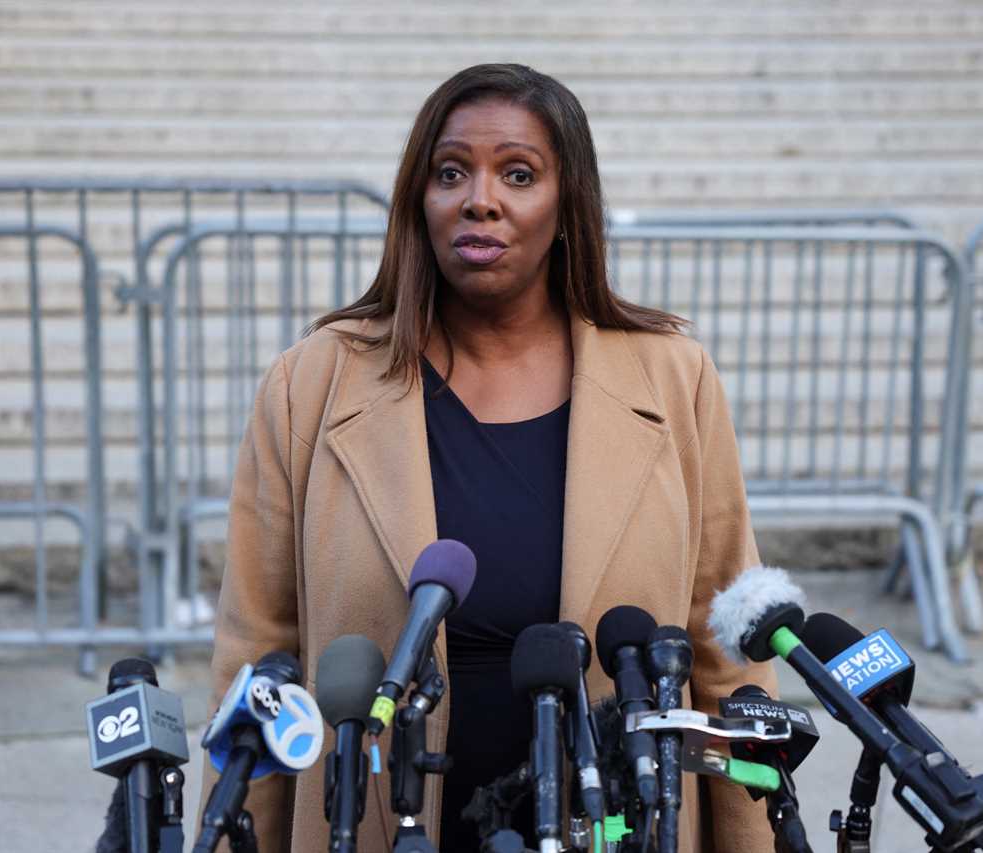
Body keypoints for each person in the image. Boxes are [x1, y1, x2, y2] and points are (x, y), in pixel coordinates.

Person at [202, 63, 777, 852]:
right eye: (450, 172)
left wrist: (753, 840)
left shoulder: (672, 378)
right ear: (419, 201)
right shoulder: (312, 384)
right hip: (374, 823)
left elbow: (726, 657)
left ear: (567, 204)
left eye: (518, 173)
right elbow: (257, 657)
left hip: (613, 825)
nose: (480, 198)